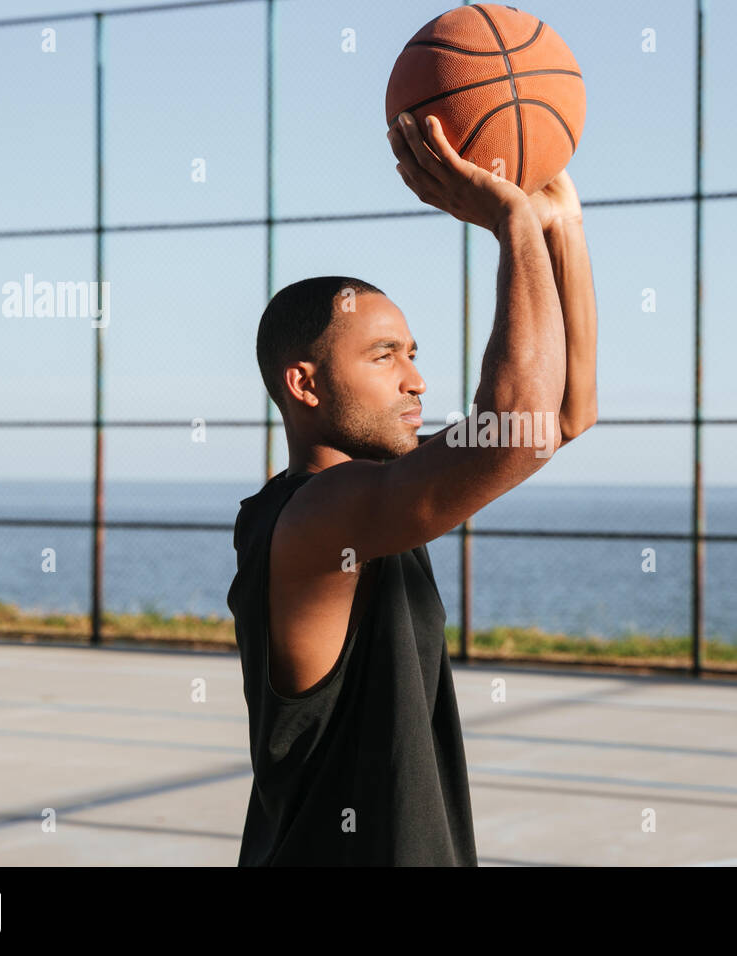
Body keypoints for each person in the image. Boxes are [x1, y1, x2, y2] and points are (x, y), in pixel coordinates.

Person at [226, 109, 597, 865]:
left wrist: (561, 229)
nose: (416, 378)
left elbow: (563, 414)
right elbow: (519, 426)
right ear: (305, 383)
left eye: (414, 352)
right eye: (384, 355)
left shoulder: (376, 494)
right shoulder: (316, 519)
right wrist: (508, 223)